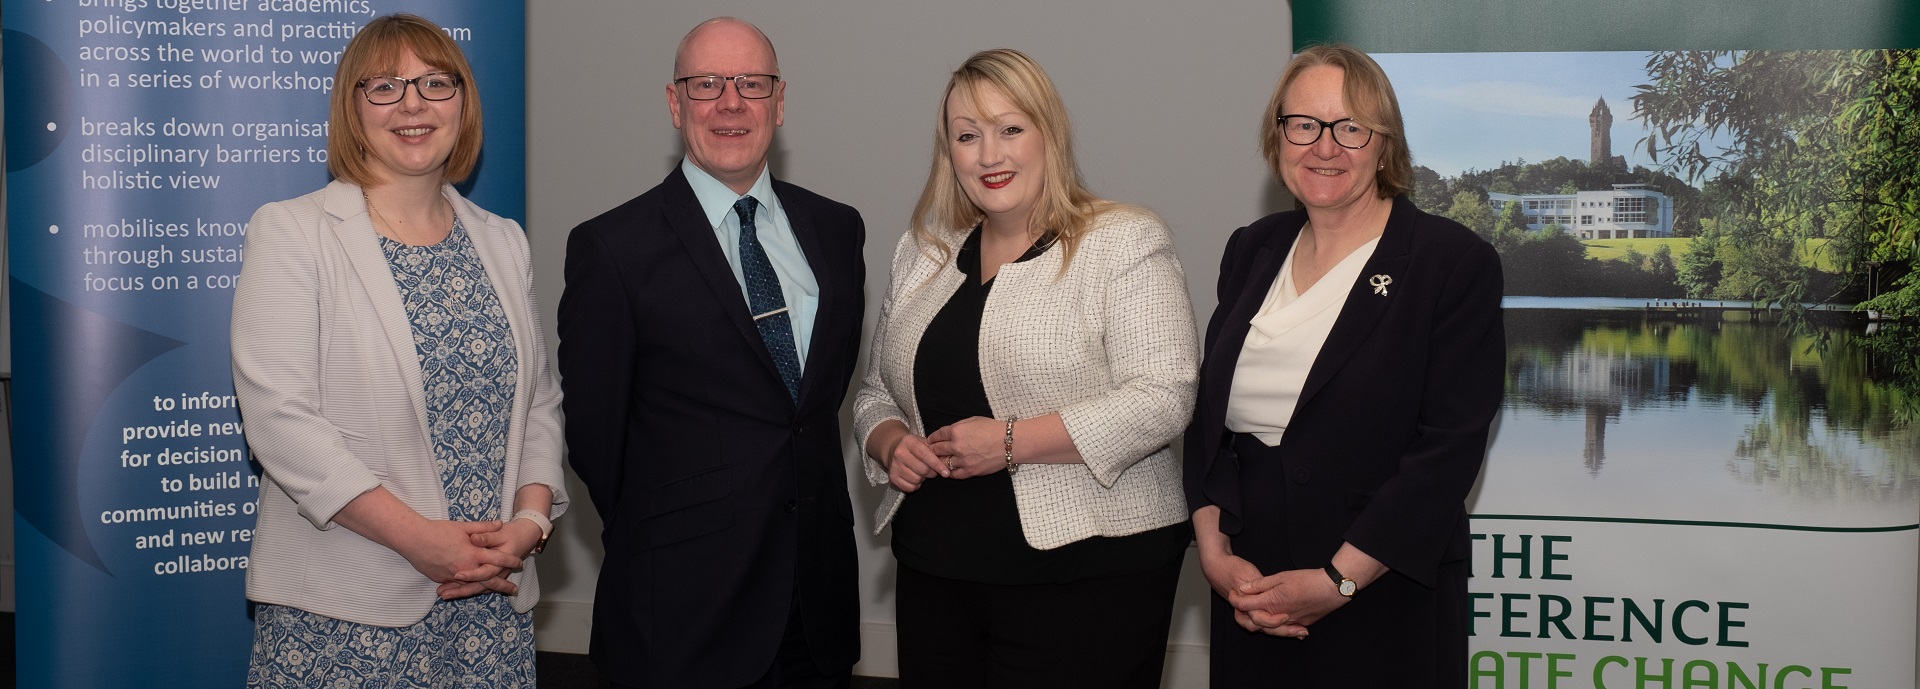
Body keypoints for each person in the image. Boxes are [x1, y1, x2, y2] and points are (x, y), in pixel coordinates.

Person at [231, 13, 566, 687]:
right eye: (384, 86)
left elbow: (539, 403)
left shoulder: (503, 240)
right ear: (352, 109)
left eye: (435, 83)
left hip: (489, 603)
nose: (413, 104)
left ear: (463, 102)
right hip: (346, 608)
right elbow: (281, 422)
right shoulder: (294, 232)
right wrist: (422, 540)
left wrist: (530, 520)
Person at [853, 48, 1198, 689]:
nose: (989, 155)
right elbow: (876, 394)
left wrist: (1008, 442)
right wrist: (890, 441)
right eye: (967, 135)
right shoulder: (921, 254)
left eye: (1010, 128)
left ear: (1049, 135)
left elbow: (1165, 396)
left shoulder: (1122, 239)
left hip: (1090, 571)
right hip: (936, 568)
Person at [1183, 44, 1505, 688]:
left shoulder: (1450, 262)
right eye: (1303, 124)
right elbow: (1208, 421)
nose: (1323, 147)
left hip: (1379, 582)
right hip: (1252, 583)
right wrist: (1213, 551)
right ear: (1277, 138)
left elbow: (1448, 449)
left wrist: (1338, 581)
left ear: (1385, 145)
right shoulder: (1252, 249)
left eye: (1350, 127)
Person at [558, 17, 865, 689]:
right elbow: (593, 438)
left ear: (780, 102)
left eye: (752, 83)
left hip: (816, 612)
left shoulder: (838, 231)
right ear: (675, 103)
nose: (731, 103)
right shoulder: (612, 250)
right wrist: (678, 535)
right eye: (707, 84)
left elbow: (813, 411)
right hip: (681, 616)